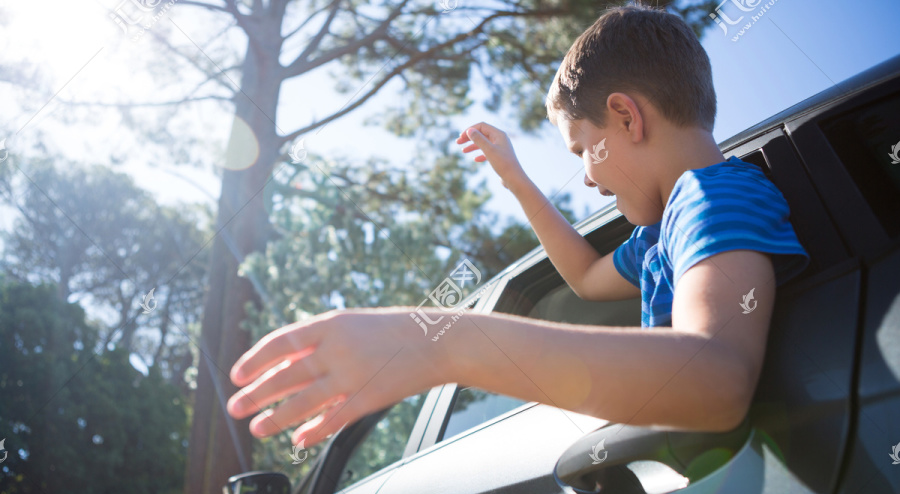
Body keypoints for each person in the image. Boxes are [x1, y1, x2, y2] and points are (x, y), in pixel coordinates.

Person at [226, 5, 809, 448]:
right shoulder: (664, 234)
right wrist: (516, 179)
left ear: (627, 116)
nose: (586, 178)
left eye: (582, 149)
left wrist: (447, 346)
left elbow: (718, 381)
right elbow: (584, 275)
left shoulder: (713, 197)